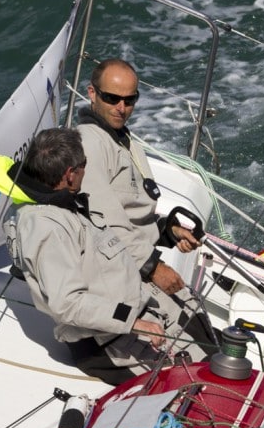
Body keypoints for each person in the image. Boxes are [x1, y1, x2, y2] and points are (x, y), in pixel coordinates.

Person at [0, 127, 205, 385]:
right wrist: (134, 321)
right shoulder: (46, 227)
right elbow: (67, 303)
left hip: (136, 314)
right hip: (108, 342)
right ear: (70, 174)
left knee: (211, 349)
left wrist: (163, 233)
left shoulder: (63, 202)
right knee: (195, 384)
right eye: (84, 165)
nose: (87, 171)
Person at [77, 58, 199, 295]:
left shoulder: (123, 139)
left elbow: (129, 215)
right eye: (112, 98)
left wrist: (168, 231)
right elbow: (102, 223)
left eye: (129, 100)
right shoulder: (89, 144)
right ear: (92, 93)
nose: (121, 108)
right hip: (112, 272)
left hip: (133, 261)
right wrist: (153, 268)